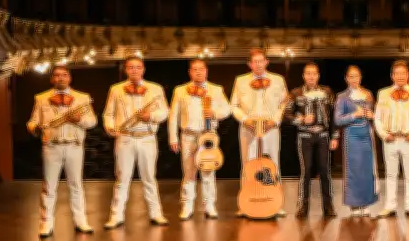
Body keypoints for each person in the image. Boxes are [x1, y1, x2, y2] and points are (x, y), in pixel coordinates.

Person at [26, 65, 97, 238]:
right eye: (57, 75)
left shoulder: (82, 98)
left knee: (76, 186)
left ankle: (81, 221)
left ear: (70, 78)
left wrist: (79, 119)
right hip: (52, 146)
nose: (60, 78)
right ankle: (46, 223)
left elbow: (92, 121)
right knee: (49, 187)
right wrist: (35, 128)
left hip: (74, 146)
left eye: (64, 75)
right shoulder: (41, 98)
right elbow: (32, 122)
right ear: (52, 79)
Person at [103, 55, 170, 229]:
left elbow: (164, 112)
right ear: (126, 69)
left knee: (149, 177)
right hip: (125, 137)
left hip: (147, 137)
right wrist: (110, 127)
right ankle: (116, 215)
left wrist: (151, 116)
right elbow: (108, 113)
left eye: (138, 67)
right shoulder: (116, 89)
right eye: (131, 67)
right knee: (122, 178)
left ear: (143, 69)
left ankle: (156, 214)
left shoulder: (155, 89)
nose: (134, 70)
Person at [168, 59, 231, 220]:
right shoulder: (180, 90)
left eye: (201, 69)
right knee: (189, 172)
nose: (198, 72)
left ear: (206, 71)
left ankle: (209, 205)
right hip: (188, 135)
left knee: (208, 171)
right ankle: (187, 205)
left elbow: (227, 109)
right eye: (195, 69)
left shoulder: (216, 89)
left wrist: (214, 112)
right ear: (190, 72)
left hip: (208, 134)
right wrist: (173, 137)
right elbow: (173, 116)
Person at [231, 48, 288, 217]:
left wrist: (275, 121)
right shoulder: (240, 81)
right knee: (248, 164)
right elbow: (234, 105)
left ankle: (276, 202)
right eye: (254, 61)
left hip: (270, 127)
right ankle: (245, 203)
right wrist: (245, 119)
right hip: (249, 128)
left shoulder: (278, 80)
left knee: (273, 164)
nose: (258, 64)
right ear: (250, 64)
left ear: (266, 62)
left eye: (261, 61)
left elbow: (283, 104)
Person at [374, 60, 409, 218]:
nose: (400, 76)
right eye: (397, 73)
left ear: (408, 75)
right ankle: (390, 206)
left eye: (403, 73)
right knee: (391, 175)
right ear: (392, 76)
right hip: (390, 138)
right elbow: (378, 118)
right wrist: (384, 134)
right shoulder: (383, 93)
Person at [284, 62, 338, 219]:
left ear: (318, 75)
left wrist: (334, 136)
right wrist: (301, 120)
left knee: (325, 171)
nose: (311, 76)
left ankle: (328, 206)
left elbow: (334, 115)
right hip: (304, 136)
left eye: (314, 73)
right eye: (308, 73)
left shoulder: (327, 92)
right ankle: (302, 206)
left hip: (322, 136)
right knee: (305, 171)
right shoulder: (295, 93)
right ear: (303, 76)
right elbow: (285, 116)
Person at [333, 65, 378, 217]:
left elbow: (373, 115)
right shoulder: (342, 97)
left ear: (360, 77)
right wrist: (355, 114)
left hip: (366, 134)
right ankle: (354, 205)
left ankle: (365, 202)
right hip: (351, 135)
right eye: (351, 76)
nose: (354, 79)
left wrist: (372, 115)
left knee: (366, 170)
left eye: (356, 76)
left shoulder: (368, 94)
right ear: (346, 78)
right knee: (353, 170)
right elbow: (338, 120)